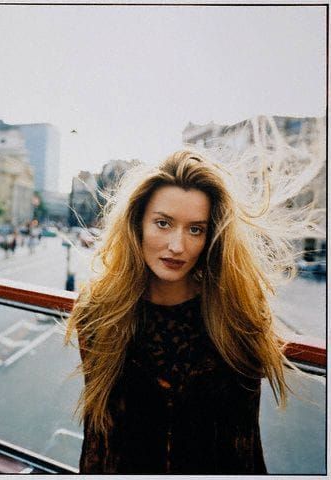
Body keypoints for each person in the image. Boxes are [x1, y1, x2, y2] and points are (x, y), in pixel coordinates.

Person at [65, 150, 294, 474]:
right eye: (163, 223)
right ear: (137, 224)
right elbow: (100, 439)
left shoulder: (236, 315)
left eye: (195, 229)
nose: (177, 245)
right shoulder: (100, 312)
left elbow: (243, 442)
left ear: (211, 235)